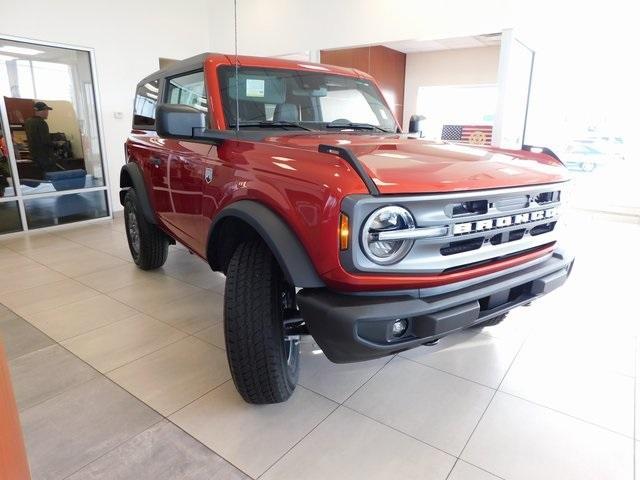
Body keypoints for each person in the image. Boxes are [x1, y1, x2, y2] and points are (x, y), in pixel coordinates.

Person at [24, 101, 56, 173]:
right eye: (45, 110)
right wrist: (56, 144)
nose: (47, 112)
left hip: (34, 157)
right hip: (45, 157)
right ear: (39, 111)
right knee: (51, 178)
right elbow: (45, 141)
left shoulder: (28, 122)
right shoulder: (41, 122)